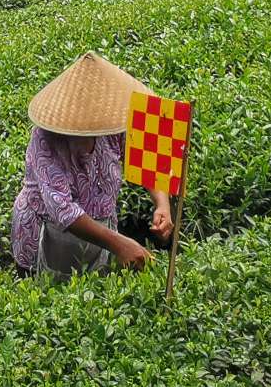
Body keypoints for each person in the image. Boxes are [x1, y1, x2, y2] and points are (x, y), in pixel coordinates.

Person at [11, 52, 173, 278]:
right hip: (47, 232)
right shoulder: (45, 139)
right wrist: (120, 245)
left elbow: (148, 160)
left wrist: (162, 204)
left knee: (92, 287)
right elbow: (63, 210)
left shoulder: (114, 124)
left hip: (102, 233)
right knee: (47, 293)